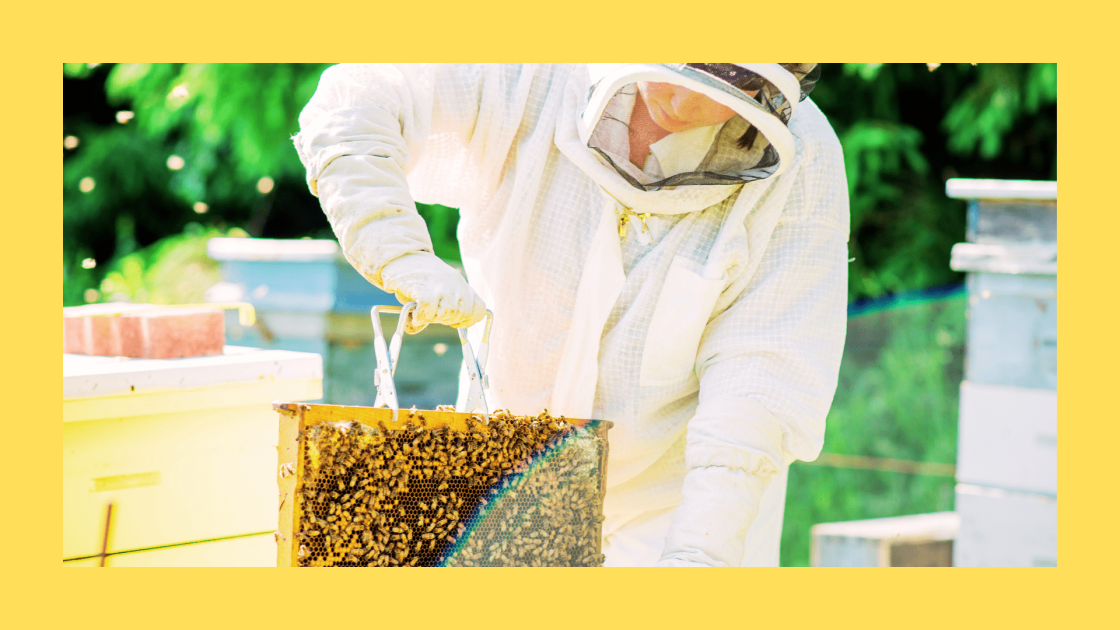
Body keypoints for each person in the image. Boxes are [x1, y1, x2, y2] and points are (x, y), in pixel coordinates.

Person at [294, 63, 849, 567]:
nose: (677, 105)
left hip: (683, 499)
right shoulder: (534, 66)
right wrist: (395, 248)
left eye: (728, 79)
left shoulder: (805, 159)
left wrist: (700, 550)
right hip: (504, 475)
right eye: (678, 59)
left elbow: (762, 375)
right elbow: (358, 98)